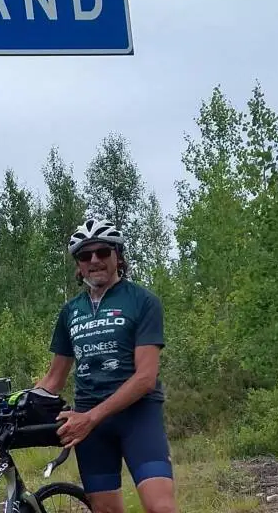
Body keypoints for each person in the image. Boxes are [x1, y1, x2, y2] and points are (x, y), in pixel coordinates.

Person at [35, 218, 178, 513]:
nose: (94, 260)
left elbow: (146, 377)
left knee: (160, 507)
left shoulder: (142, 301)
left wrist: (92, 417)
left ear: (118, 257)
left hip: (138, 418)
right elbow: (53, 380)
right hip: (90, 426)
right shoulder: (70, 311)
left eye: (102, 252)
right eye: (85, 256)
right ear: (78, 265)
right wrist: (11, 406)